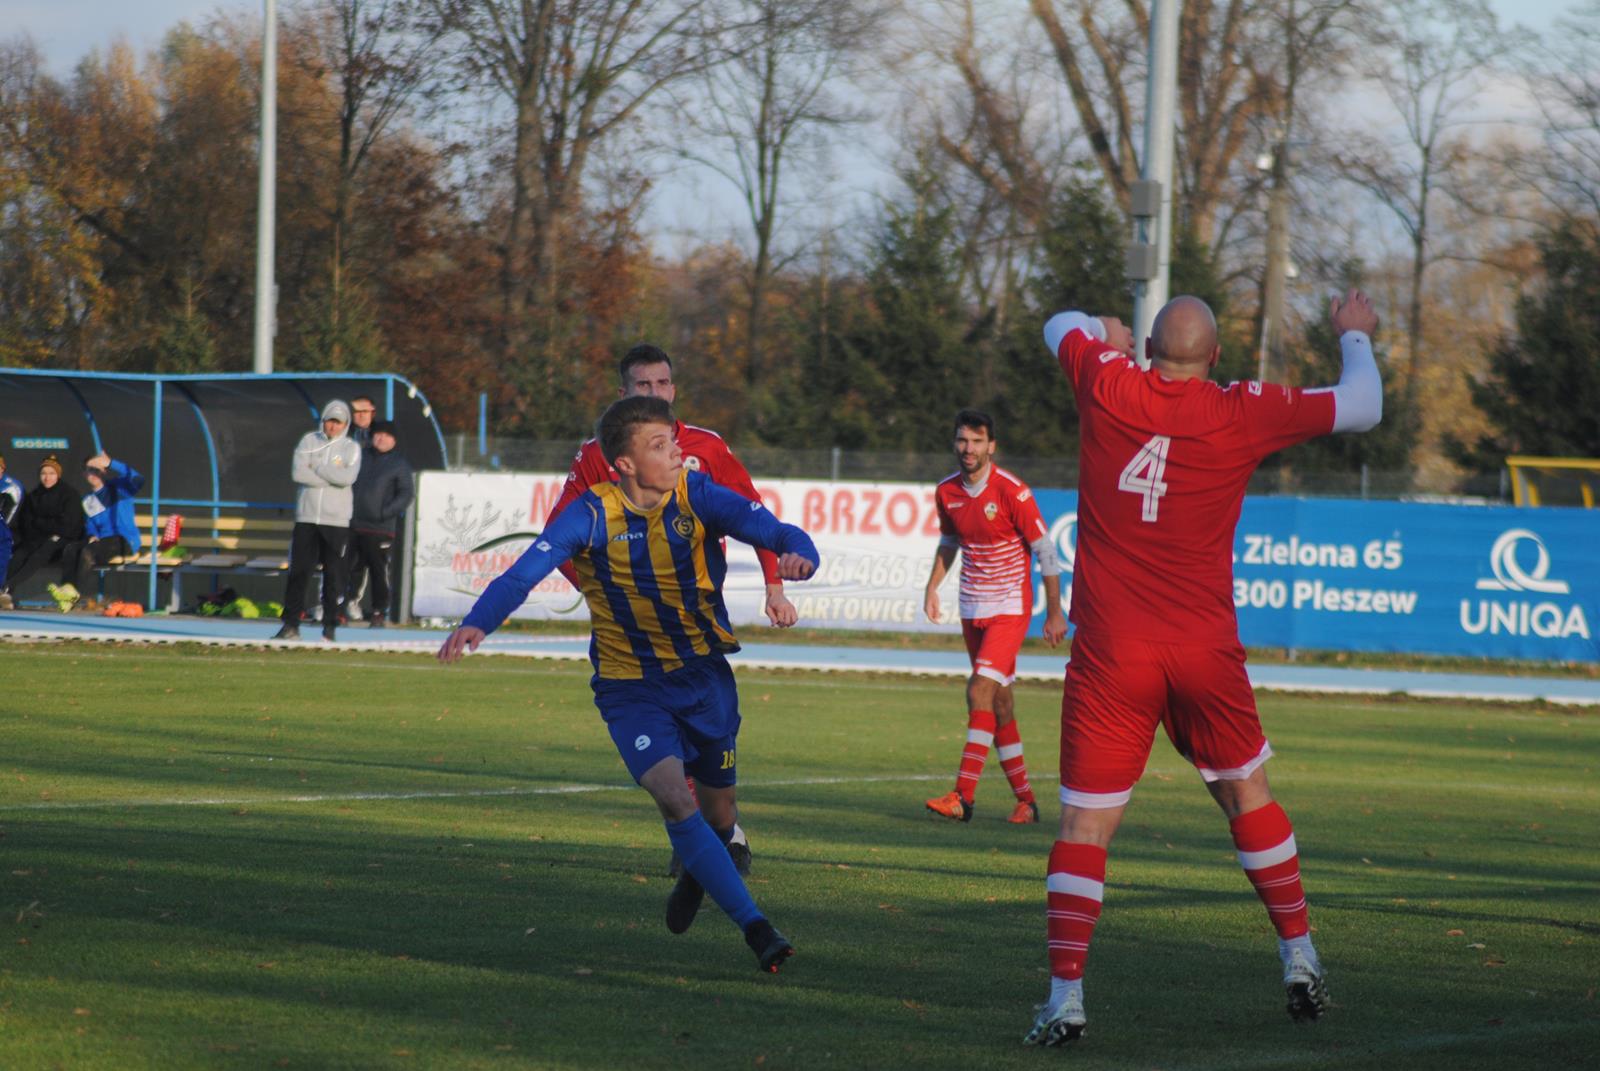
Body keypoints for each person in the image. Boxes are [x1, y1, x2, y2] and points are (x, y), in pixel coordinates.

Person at [1020, 291, 1382, 1047]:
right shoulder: (1239, 408)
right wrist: (1352, 335)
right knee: (1246, 792)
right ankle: (1298, 953)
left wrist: (1103, 332)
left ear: (1147, 349)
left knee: (1086, 823)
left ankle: (1065, 997)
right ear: (1216, 357)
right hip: (1204, 648)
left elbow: (1058, 325)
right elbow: (1363, 405)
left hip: (1113, 648)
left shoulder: (1106, 379)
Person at [437, 395, 819, 973]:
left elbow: (772, 527)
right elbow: (522, 574)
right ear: (624, 464)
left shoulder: (698, 495)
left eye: (675, 442)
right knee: (673, 795)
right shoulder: (589, 515)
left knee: (719, 817)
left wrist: (800, 556)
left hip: (703, 675)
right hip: (629, 686)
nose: (677, 454)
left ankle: (698, 868)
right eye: (661, 446)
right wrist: (477, 621)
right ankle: (758, 930)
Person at [549, 343, 793, 877]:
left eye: (662, 385)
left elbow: (755, 516)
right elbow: (557, 535)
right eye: (642, 386)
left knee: (709, 728)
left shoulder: (705, 447)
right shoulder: (596, 454)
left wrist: (775, 585)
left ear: (674, 390)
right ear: (623, 394)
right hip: (630, 624)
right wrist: (602, 591)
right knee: (661, 735)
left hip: (697, 611)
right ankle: (702, 840)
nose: (654, 394)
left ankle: (720, 829)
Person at [923, 409, 1067, 825]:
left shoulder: (1012, 491)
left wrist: (1054, 612)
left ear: (992, 447)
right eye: (962, 440)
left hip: (1008, 607)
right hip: (972, 608)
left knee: (978, 691)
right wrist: (932, 587)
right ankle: (1026, 801)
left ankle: (962, 796)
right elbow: (949, 541)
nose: (968, 449)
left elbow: (1046, 551)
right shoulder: (946, 491)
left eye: (977, 441)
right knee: (1000, 703)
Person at [274, 400, 362, 642]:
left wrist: (319, 468)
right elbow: (298, 473)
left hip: (336, 523)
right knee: (299, 572)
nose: (333, 426)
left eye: (338, 422)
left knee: (334, 576)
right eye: (329, 421)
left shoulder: (351, 448)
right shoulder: (308, 442)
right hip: (307, 518)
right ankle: (291, 624)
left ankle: (330, 628)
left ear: (345, 424)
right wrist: (328, 477)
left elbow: (347, 478)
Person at [52, 453, 145, 612]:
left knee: (88, 552)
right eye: (89, 470)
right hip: (103, 542)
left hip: (124, 540)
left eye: (97, 469)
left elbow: (138, 479)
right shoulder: (88, 500)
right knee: (71, 549)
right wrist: (91, 535)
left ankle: (73, 594)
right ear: (84, 474)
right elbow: (91, 525)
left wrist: (111, 462)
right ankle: (66, 590)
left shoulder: (119, 488)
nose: (93, 474)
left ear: (104, 471)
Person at [345, 420, 414, 627]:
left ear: (394, 439)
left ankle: (378, 611)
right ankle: (346, 606)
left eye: (386, 435)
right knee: (350, 569)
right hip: (354, 524)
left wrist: (385, 513)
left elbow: (406, 494)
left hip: (380, 529)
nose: (381, 438)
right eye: (377, 434)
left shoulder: (399, 464)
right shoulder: (360, 458)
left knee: (378, 571)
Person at [2, 457, 84, 605]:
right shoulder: (34, 495)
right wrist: (44, 527)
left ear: (58, 475)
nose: (47, 477)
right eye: (43, 473)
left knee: (43, 550)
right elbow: (28, 522)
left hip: (62, 542)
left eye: (51, 473)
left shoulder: (69, 495)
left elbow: (68, 525)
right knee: (19, 554)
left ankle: (7, 587)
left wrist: (43, 525)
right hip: (37, 539)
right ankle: (5, 595)